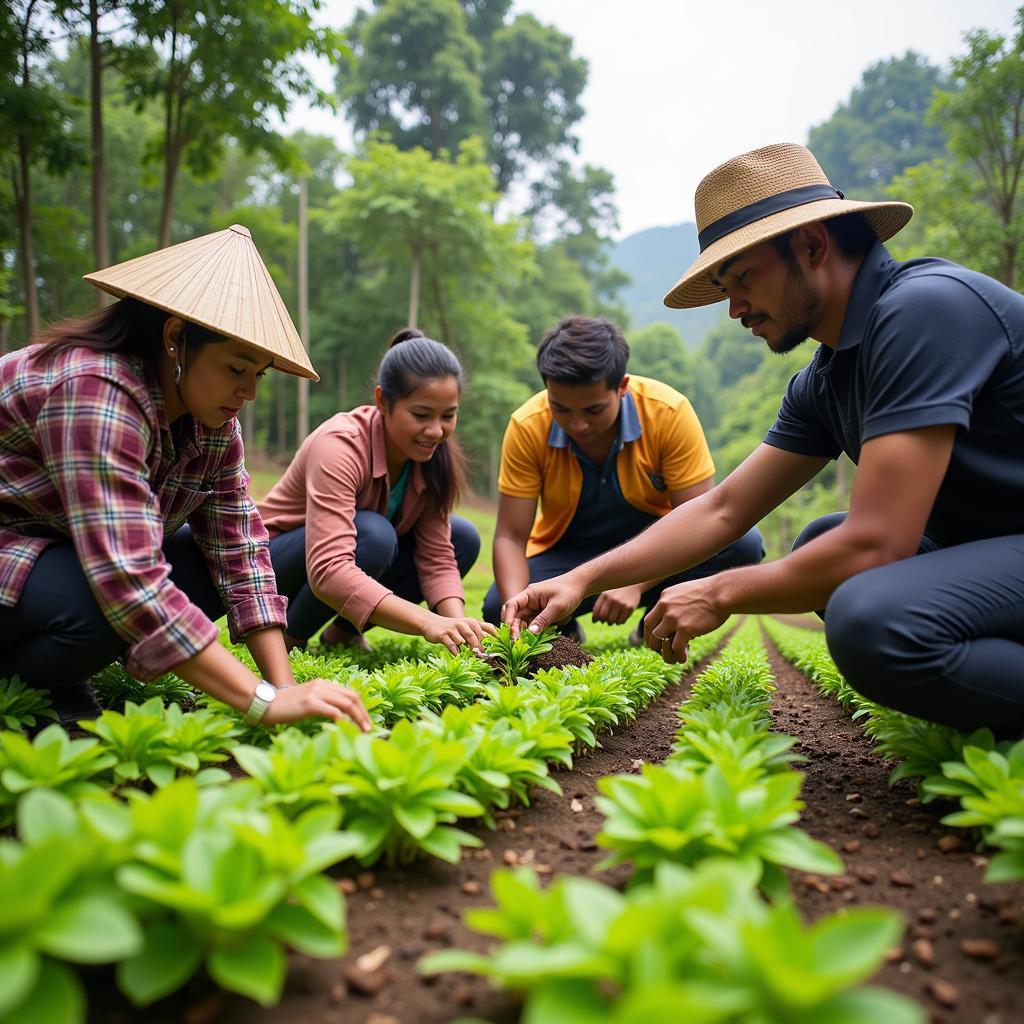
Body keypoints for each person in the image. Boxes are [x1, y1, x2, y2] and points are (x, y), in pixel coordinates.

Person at [502, 142, 1024, 737]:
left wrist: (720, 592)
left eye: (743, 278)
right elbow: (723, 509)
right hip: (995, 553)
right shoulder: (826, 378)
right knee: (822, 543)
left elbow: (877, 544)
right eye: (725, 288)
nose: (734, 308)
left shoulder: (924, 310)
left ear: (812, 245)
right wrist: (584, 579)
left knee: (868, 615)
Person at [0, 225, 370, 732]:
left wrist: (284, 688)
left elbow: (240, 553)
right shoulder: (95, 387)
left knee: (201, 564)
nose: (249, 391)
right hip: (17, 553)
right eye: (236, 368)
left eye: (258, 374)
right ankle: (28, 682)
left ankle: (62, 668)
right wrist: (260, 700)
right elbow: (125, 576)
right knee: (101, 602)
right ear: (175, 338)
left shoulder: (213, 424)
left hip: (62, 558)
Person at [484, 315, 763, 643]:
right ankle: (558, 627)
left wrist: (632, 583)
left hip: (658, 548)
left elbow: (699, 522)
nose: (578, 425)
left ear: (622, 387)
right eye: (561, 409)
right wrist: (522, 606)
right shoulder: (528, 425)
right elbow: (511, 537)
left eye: (593, 410)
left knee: (742, 545)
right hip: (573, 552)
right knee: (496, 606)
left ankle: (655, 620)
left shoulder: (668, 413)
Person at [259, 329, 490, 656]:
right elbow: (329, 570)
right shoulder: (340, 444)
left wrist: (460, 628)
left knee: (462, 537)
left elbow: (437, 558)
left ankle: (343, 634)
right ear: (383, 401)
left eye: (448, 416)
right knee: (375, 534)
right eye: (421, 415)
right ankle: (290, 637)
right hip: (273, 568)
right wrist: (427, 622)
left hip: (346, 558)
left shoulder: (432, 457)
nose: (437, 431)